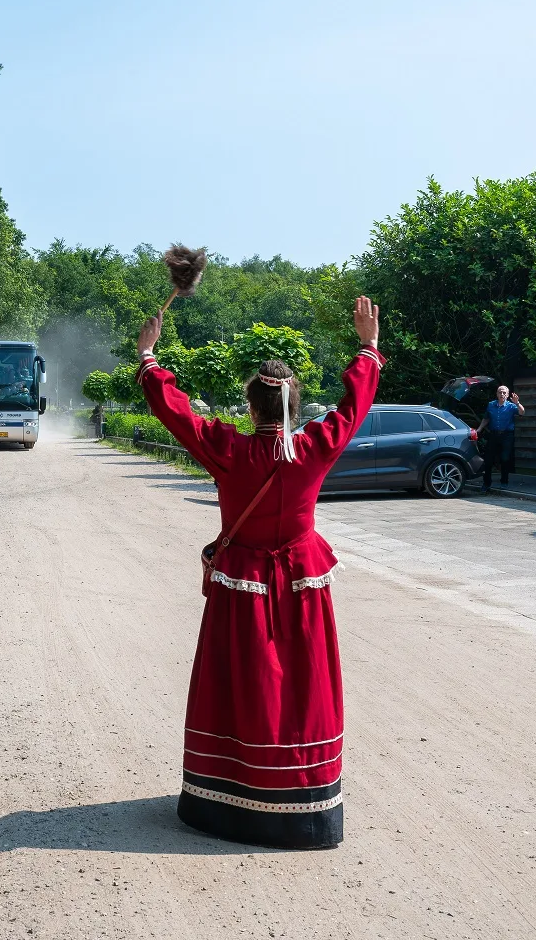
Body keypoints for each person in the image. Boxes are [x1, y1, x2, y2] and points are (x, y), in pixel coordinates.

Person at [135, 296, 384, 849]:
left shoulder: (230, 449)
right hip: (300, 581)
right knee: (302, 684)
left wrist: (150, 357)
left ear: (250, 409)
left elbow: (177, 413)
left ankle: (227, 794)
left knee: (240, 681)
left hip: (242, 585)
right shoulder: (315, 448)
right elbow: (354, 406)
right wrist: (367, 346)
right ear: (294, 407)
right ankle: (302, 801)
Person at [477, 385, 523, 491]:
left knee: (505, 458)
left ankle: (504, 482)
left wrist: (517, 403)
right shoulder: (491, 405)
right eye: (500, 392)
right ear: (497, 394)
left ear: (507, 395)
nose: (502, 394)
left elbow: (522, 412)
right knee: (488, 459)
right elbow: (486, 418)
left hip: (507, 435)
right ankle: (486, 483)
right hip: (494, 434)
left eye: (504, 393)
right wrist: (479, 429)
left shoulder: (511, 406)